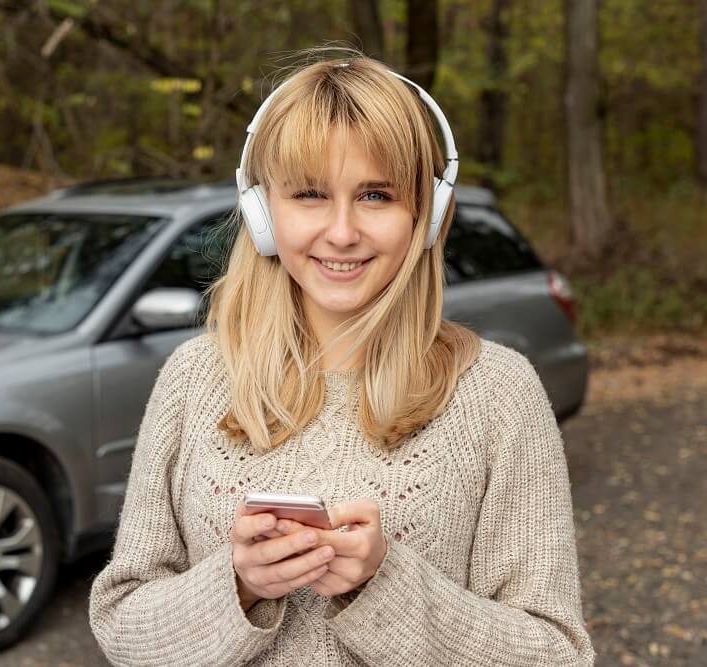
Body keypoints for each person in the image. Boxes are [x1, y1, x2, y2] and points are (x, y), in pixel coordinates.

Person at [88, 51, 595, 666]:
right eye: (309, 194)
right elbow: (122, 627)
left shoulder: (498, 393)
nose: (342, 231)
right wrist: (239, 587)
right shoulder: (193, 379)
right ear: (262, 212)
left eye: (376, 195)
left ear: (426, 216)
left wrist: (385, 586)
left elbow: (557, 655)